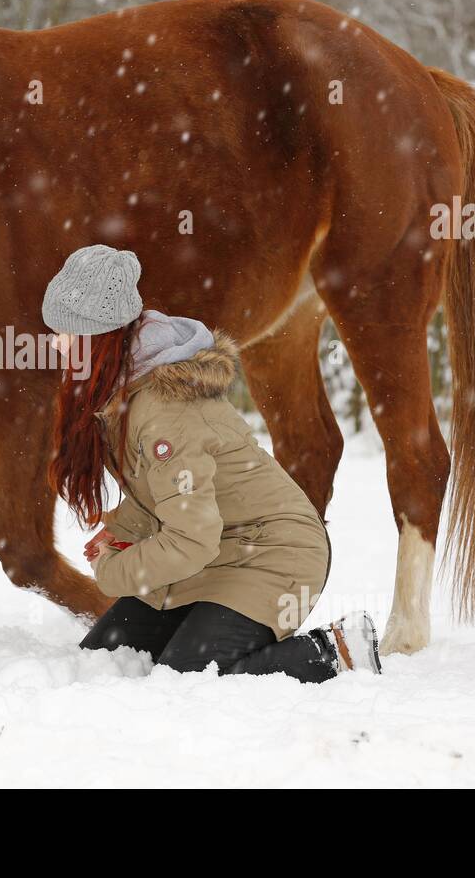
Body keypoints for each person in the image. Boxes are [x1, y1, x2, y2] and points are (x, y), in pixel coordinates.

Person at [42, 244, 381, 681]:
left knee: (188, 681)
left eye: (68, 332)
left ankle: (336, 650)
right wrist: (122, 527)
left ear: (102, 339)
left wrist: (112, 571)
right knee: (102, 663)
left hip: (272, 554)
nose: (55, 344)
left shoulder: (164, 413)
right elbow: (169, 490)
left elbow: (191, 538)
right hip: (211, 548)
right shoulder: (127, 385)